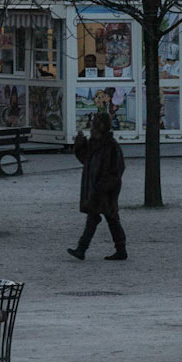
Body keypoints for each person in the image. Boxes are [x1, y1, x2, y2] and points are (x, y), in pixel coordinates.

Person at [68, 111, 127, 260]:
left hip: (105, 190)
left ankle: (83, 249)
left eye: (96, 124)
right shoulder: (94, 144)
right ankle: (119, 249)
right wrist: (80, 145)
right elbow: (85, 159)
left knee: (104, 217)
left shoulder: (111, 146)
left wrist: (103, 186)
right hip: (96, 189)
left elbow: (116, 170)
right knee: (104, 217)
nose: (93, 127)